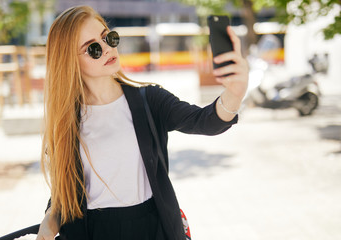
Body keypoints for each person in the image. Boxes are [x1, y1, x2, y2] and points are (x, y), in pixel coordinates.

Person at [36, 5, 249, 240]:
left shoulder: (150, 100)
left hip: (153, 227)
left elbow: (204, 122)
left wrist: (235, 92)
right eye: (93, 48)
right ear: (69, 61)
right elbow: (63, 194)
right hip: (92, 231)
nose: (107, 49)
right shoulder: (65, 121)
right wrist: (48, 223)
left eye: (108, 37)